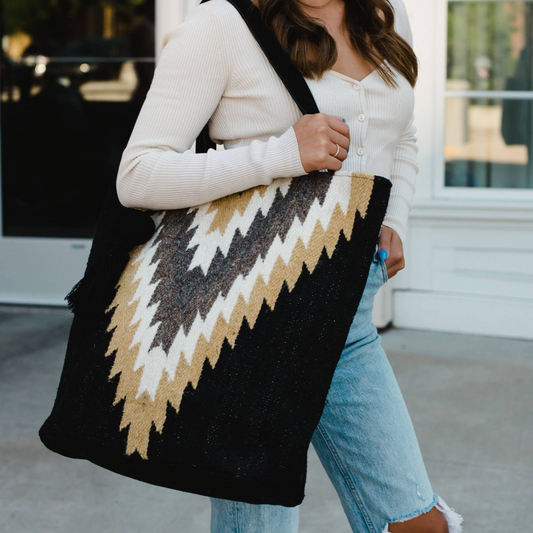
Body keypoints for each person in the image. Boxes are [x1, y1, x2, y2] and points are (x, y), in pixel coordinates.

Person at [115, 0, 464, 531]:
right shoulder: (224, 24)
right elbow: (138, 175)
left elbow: (403, 133)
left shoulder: (383, 14)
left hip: (349, 308)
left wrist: (395, 215)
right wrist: (283, 153)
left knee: (415, 523)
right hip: (255, 315)